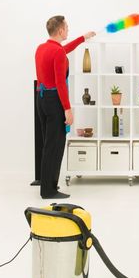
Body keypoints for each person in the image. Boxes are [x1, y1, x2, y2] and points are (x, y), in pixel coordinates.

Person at [35, 15, 95, 200]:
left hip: (41, 99)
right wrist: (67, 110)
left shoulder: (42, 48)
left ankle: (48, 185)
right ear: (60, 30)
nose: (68, 29)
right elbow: (60, 83)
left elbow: (63, 50)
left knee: (48, 145)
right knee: (55, 146)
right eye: (67, 27)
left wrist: (83, 38)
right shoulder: (57, 52)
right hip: (55, 101)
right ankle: (49, 191)